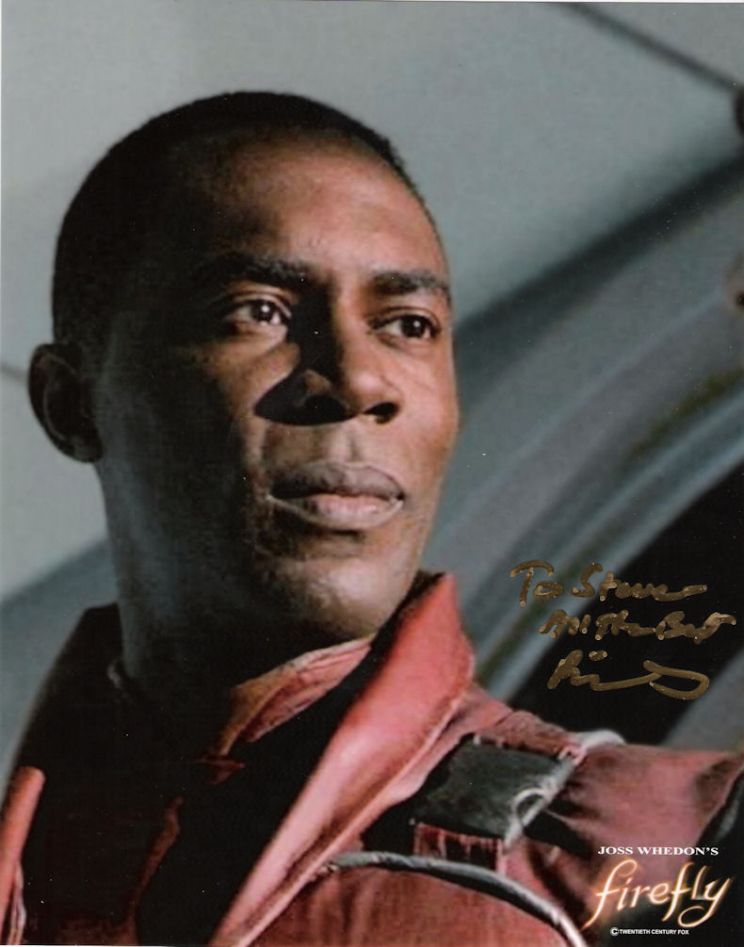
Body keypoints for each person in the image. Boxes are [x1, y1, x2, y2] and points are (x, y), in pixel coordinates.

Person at [0, 93, 741, 947]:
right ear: (71, 402)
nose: (358, 379)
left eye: (408, 325)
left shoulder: (669, 851)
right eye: (258, 311)